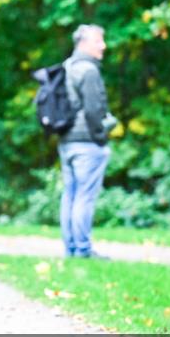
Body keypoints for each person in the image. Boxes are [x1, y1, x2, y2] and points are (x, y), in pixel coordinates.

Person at [59, 24, 117, 259]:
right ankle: (83, 250)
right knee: (84, 196)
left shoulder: (67, 67)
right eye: (98, 41)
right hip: (87, 142)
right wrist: (101, 136)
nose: (103, 46)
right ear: (83, 43)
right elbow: (94, 110)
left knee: (70, 195)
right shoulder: (89, 70)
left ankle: (71, 248)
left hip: (66, 140)